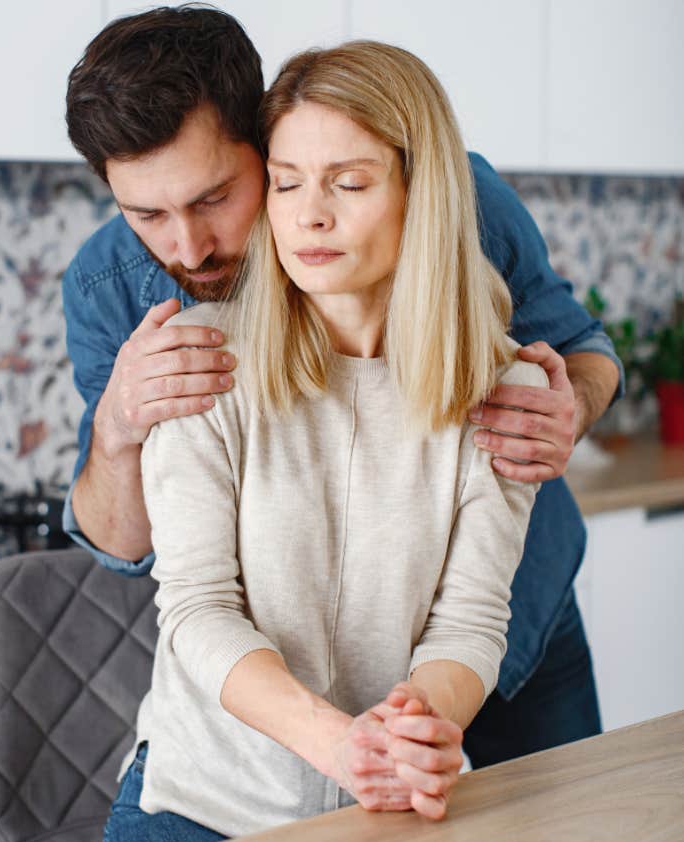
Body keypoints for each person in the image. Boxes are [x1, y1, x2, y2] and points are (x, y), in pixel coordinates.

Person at [63, 0, 621, 795]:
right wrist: (119, 425)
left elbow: (585, 352)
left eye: (217, 197)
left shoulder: (443, 193)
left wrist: (566, 414)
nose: (187, 247)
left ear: (263, 140)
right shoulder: (106, 289)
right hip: (296, 715)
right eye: (145, 214)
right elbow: (131, 551)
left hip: (509, 617)